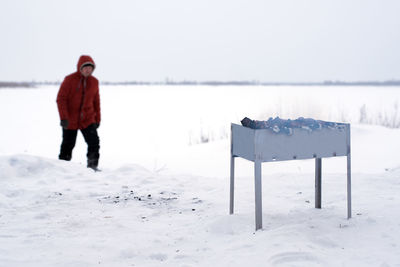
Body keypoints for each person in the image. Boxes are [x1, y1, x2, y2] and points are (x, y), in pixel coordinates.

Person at [56, 55, 101, 170]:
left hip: (88, 119)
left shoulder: (94, 82)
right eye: (85, 67)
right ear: (79, 68)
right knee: (68, 145)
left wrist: (97, 119)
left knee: (94, 143)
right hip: (70, 120)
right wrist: (64, 118)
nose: (88, 70)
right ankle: (62, 169)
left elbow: (96, 102)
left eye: (90, 68)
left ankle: (92, 168)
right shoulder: (69, 79)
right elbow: (61, 99)